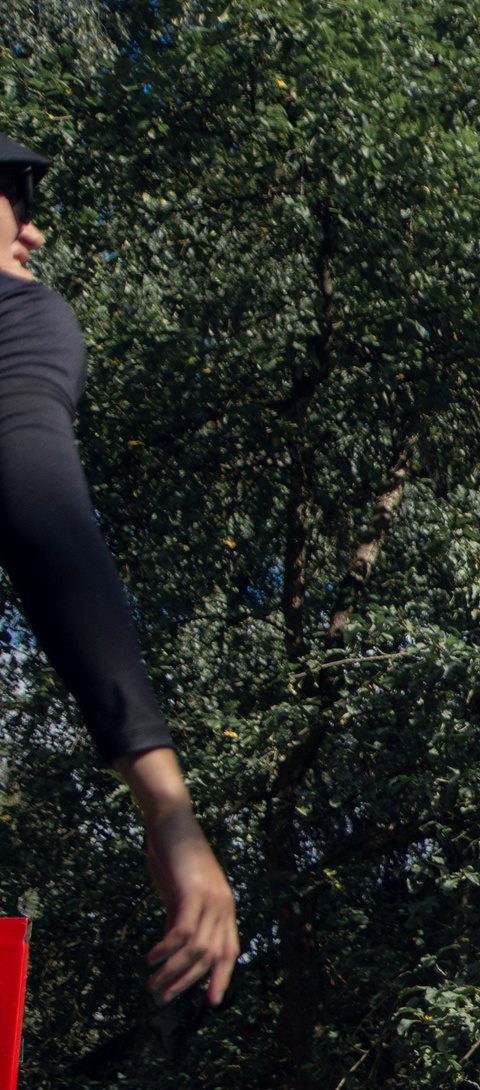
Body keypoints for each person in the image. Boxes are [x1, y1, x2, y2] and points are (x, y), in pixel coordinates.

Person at [0, 134, 235, 1004]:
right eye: (14, 201)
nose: (35, 233)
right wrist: (168, 810)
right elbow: (43, 517)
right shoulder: (19, 315)